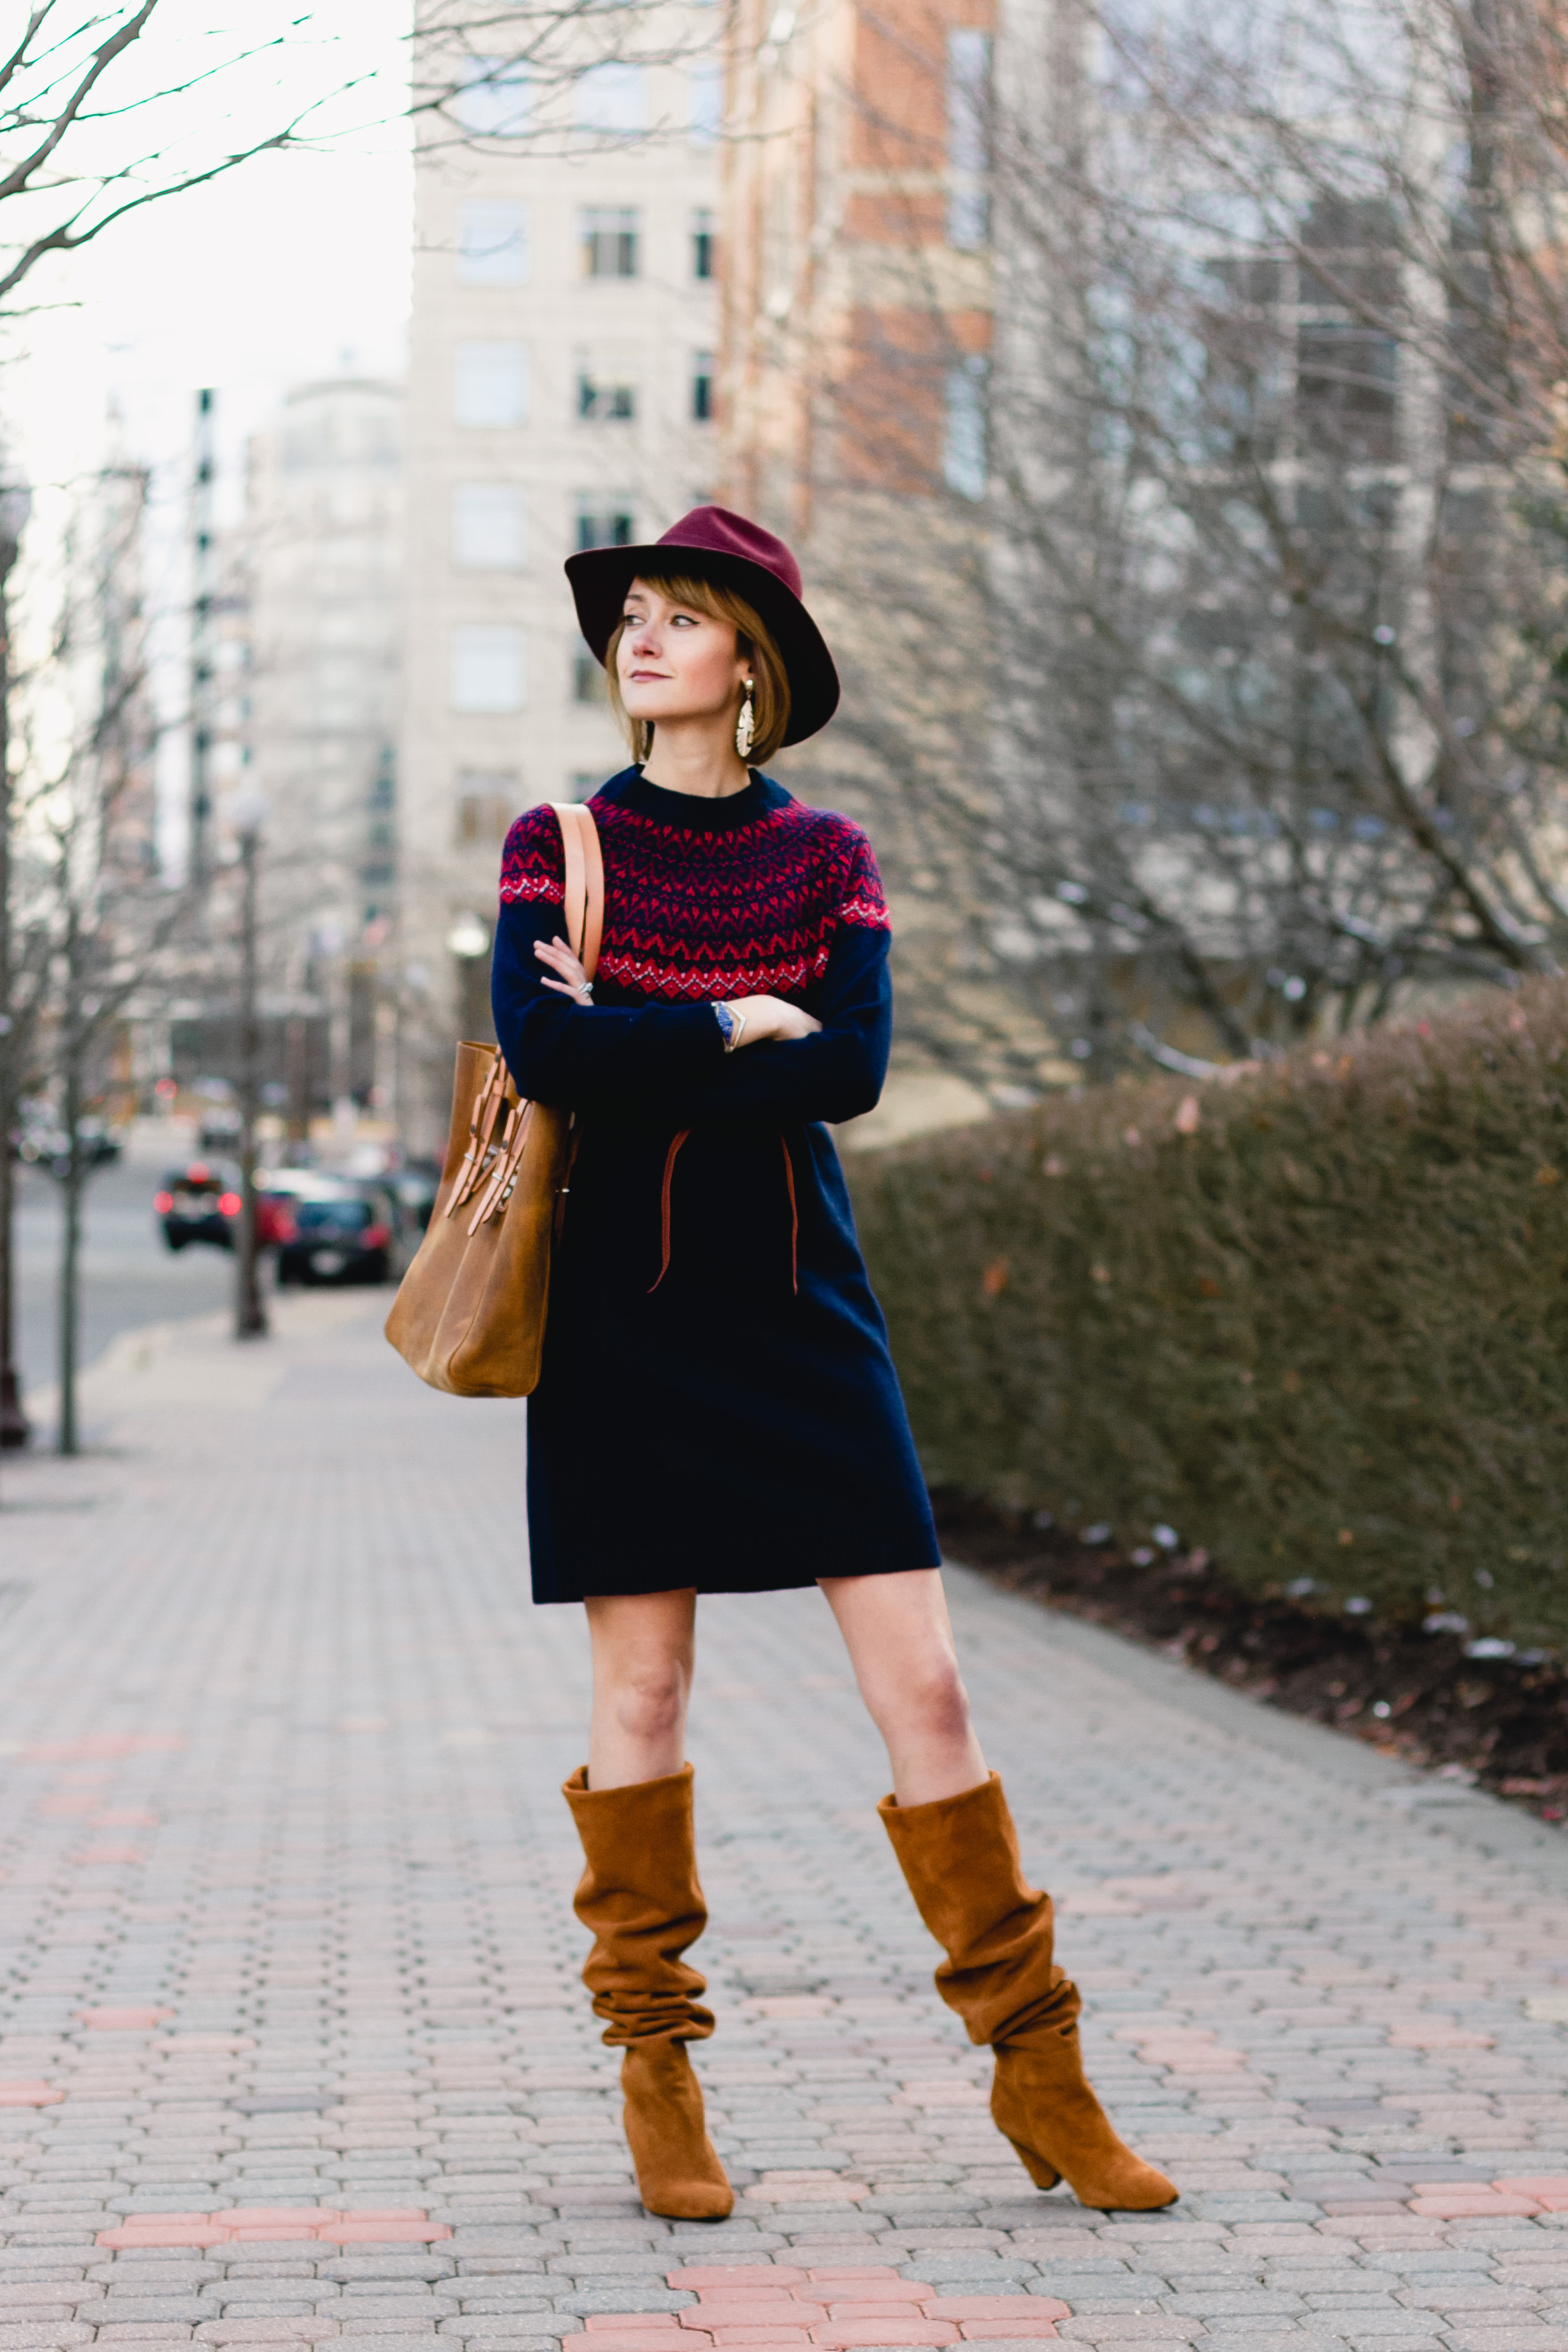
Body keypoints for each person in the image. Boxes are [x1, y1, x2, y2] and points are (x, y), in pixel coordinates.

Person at [490, 506, 1177, 2224]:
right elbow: (541, 1044)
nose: (640, 639)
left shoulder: (825, 854)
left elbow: (853, 1067)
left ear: (751, 660)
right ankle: (656, 2066)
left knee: (927, 1686)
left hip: (804, 1313)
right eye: (626, 615)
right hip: (622, 1324)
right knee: (641, 1695)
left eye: (677, 617)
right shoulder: (555, 839)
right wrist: (732, 1021)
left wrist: (655, 1039)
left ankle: (1043, 2070)